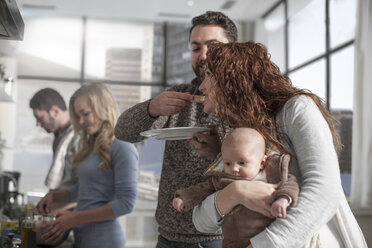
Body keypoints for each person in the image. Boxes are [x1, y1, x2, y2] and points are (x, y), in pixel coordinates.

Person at [192, 41, 367, 248]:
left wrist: (261, 246)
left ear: (235, 78)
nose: (202, 86)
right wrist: (236, 192)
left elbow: (325, 190)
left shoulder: (297, 109)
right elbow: (202, 222)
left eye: (210, 75)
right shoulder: (237, 133)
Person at [115, 11, 255, 247]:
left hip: (221, 237)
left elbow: (261, 170)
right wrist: (152, 107)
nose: (203, 55)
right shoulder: (181, 96)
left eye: (213, 46)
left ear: (234, 48)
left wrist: (220, 152)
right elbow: (123, 132)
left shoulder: (249, 105)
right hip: (169, 236)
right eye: (196, 48)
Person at [36, 83, 138, 248]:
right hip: (84, 240)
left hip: (106, 242)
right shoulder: (91, 145)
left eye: (85, 114)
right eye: (78, 116)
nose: (81, 121)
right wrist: (56, 196)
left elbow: (126, 203)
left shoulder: (122, 145)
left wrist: (75, 218)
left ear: (102, 108)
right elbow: (84, 190)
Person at [173, 127, 299, 247]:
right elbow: (201, 189)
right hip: (235, 242)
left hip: (268, 237)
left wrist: (283, 198)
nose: (234, 169)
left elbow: (290, 184)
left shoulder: (273, 173)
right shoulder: (224, 180)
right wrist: (183, 198)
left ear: (262, 162)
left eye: (242, 163)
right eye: (228, 163)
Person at [30, 88, 79, 191]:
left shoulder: (79, 136)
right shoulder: (59, 137)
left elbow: (83, 184)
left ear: (55, 111)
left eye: (40, 118)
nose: (37, 124)